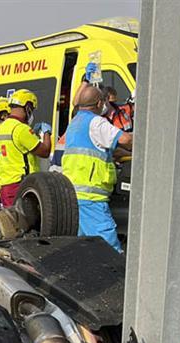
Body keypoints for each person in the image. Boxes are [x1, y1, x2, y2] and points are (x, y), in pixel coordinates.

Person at [61, 84, 132, 251]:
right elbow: (125, 140)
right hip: (92, 199)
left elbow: (100, 147)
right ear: (100, 103)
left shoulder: (75, 122)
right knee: (109, 248)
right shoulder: (96, 122)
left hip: (74, 195)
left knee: (82, 248)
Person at [0, 88, 53, 207]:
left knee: (11, 218)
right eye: (32, 109)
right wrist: (47, 133)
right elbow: (45, 151)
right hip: (21, 185)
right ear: (27, 108)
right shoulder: (21, 129)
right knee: (23, 218)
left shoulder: (2, 128)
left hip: (6, 186)